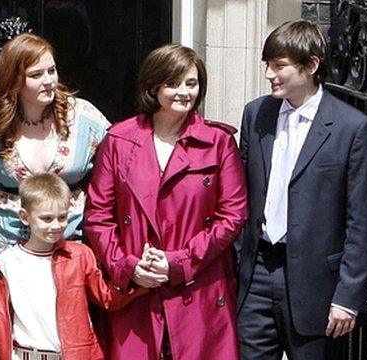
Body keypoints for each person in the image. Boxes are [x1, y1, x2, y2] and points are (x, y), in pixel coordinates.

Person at [84, 43, 247, 359]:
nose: (184, 92)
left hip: (198, 291)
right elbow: (98, 215)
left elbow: (232, 216)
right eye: (174, 83)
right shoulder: (119, 140)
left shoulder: (219, 142)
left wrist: (180, 262)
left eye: (192, 83)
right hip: (135, 293)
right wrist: (128, 267)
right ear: (154, 86)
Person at [0, 33, 110, 359]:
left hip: (68, 247)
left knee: (64, 335)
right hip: (4, 246)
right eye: (36, 74)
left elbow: (114, 177)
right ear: (14, 79)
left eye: (51, 71)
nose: (48, 81)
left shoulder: (84, 118)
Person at [237, 20, 367, 359]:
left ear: (311, 65)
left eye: (279, 66)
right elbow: (240, 191)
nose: (270, 74)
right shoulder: (256, 113)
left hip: (318, 285)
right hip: (256, 274)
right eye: (267, 65)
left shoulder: (354, 128)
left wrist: (348, 297)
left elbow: (363, 221)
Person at [0, 173, 146, 360]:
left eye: (62, 217)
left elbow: (106, 297)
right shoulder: (7, 261)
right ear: (25, 217)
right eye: (47, 218)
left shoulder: (79, 256)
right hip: (23, 355)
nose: (56, 225)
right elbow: (0, 314)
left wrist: (138, 278)